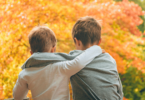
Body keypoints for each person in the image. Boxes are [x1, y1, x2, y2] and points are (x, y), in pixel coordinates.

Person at [18, 16, 123, 100]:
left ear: (77, 41)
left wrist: (29, 63)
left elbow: (47, 57)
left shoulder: (74, 58)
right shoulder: (110, 59)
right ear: (99, 41)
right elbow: (119, 89)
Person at [13, 26, 102, 100]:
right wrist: (96, 48)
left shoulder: (24, 74)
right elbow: (79, 62)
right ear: (53, 49)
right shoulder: (61, 67)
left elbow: (17, 97)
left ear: (31, 53)